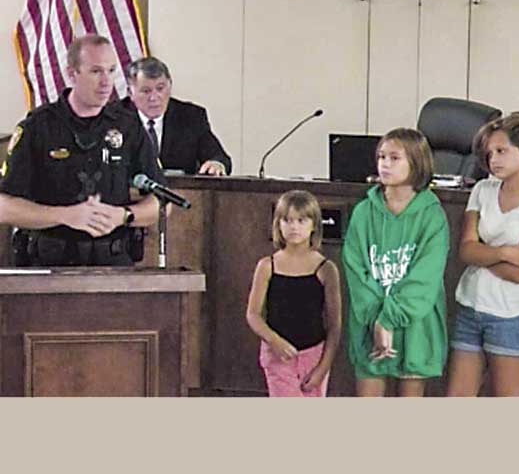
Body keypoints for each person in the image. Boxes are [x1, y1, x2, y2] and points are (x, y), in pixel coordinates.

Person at [0, 34, 161, 266]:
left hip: (114, 264)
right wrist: (64, 216)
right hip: (50, 265)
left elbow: (159, 202)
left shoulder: (127, 125)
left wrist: (123, 216)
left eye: (111, 70)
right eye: (96, 71)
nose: (107, 82)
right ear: (72, 74)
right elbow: (4, 207)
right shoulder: (39, 127)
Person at [447, 112, 519, 397]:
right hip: (470, 308)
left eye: (501, 151)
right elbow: (466, 250)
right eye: (488, 154)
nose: (493, 160)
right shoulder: (482, 190)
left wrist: (484, 252)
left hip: (512, 315)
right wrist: (506, 252)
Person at [342, 127, 449, 397]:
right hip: (369, 323)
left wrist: (388, 320)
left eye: (394, 158)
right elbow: (357, 270)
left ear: (417, 162)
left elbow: (424, 279)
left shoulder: (432, 215)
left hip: (415, 326)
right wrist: (376, 320)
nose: (385, 164)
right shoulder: (364, 212)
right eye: (381, 157)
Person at [246, 190, 341, 397]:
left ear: (314, 225)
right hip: (278, 356)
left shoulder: (326, 269)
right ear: (278, 224)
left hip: (315, 355)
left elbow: (334, 326)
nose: (294, 227)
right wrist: (274, 340)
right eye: (287, 220)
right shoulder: (267, 266)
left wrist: (322, 368)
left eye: (301, 220)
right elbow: (253, 315)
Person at [124, 56, 232, 176]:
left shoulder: (190, 116)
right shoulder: (113, 118)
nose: (154, 98)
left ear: (170, 86)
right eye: (146, 91)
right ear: (130, 93)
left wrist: (216, 163)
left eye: (160, 88)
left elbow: (219, 157)